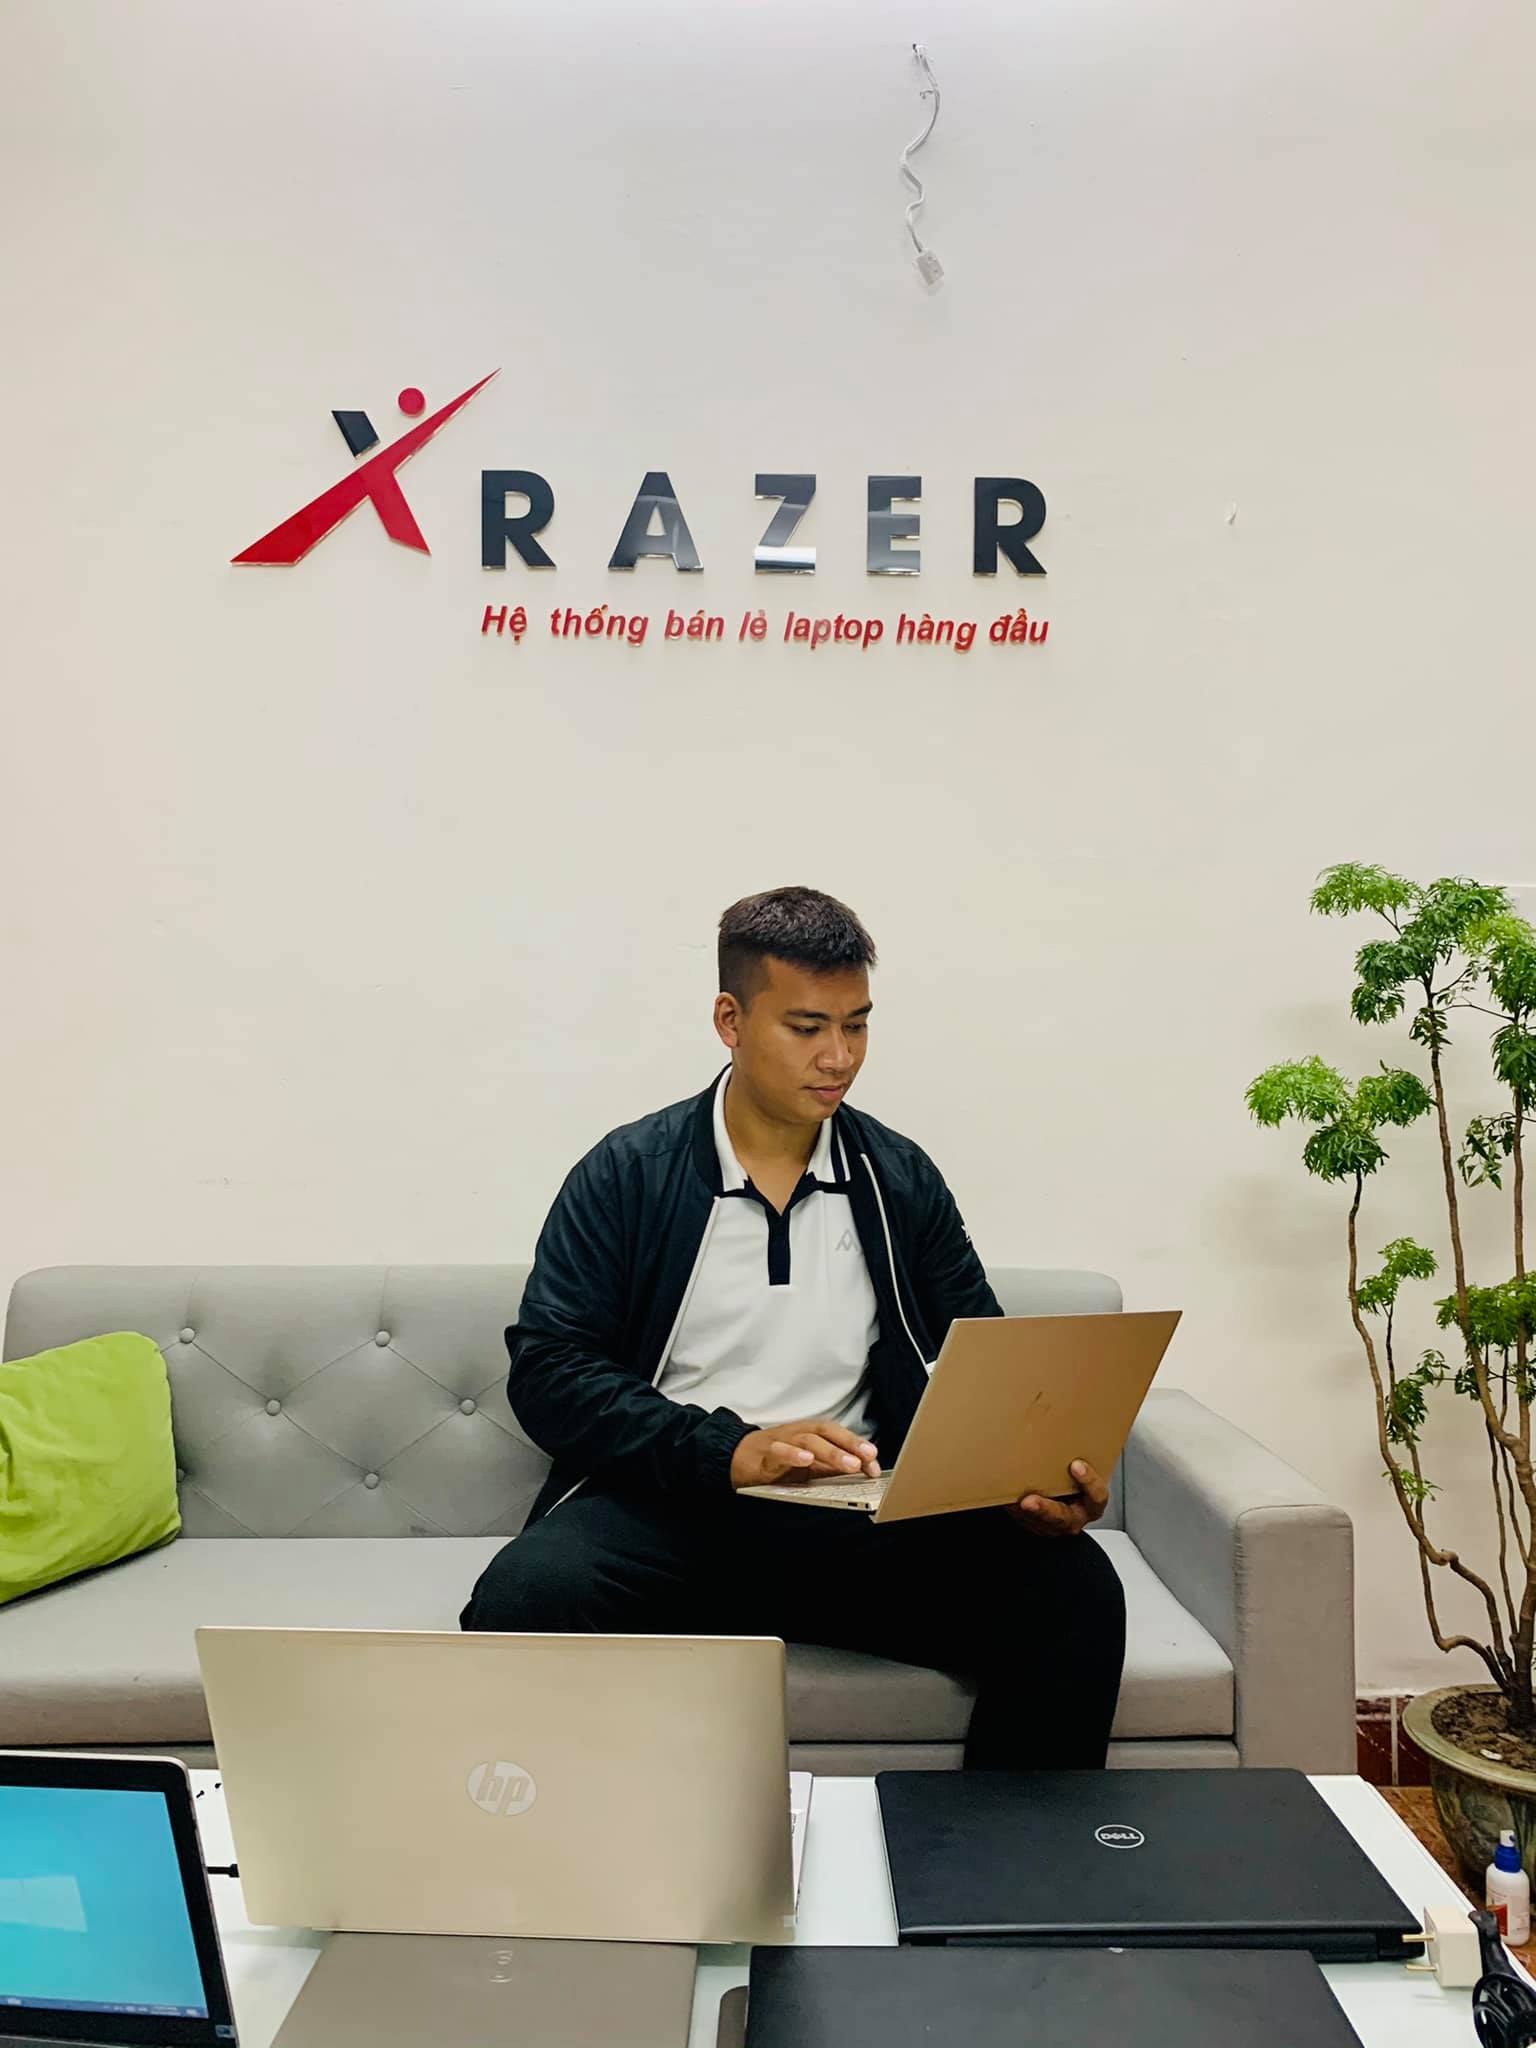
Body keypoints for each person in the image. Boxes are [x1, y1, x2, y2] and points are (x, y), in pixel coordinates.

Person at [461, 886, 1126, 1768]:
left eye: (857, 1025)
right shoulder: (629, 1173)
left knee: (1074, 1591)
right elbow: (551, 1372)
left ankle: (997, 1853)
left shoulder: (898, 1177)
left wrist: (1027, 1476)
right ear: (730, 1021)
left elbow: (981, 1361)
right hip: (675, 1508)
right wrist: (731, 1451)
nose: (838, 1057)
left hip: (861, 1516)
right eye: (807, 1027)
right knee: (527, 1598)